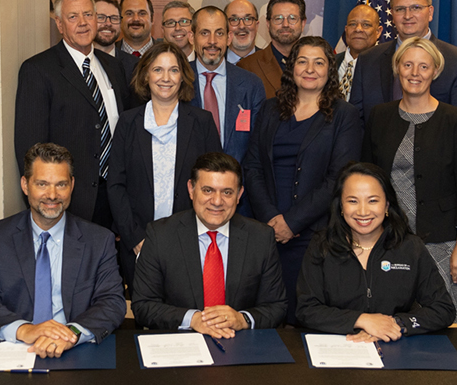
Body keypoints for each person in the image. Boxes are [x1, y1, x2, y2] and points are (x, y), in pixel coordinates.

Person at [244, 36, 362, 322]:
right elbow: (253, 166)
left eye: (318, 63)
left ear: (329, 69)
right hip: (266, 231)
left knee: (304, 317)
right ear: (291, 67)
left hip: (314, 234)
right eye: (302, 61)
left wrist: (292, 222)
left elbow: (338, 178)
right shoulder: (270, 109)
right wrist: (271, 219)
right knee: (265, 315)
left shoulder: (344, 115)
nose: (310, 69)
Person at [0, 143, 127, 357]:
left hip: (74, 349)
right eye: (42, 184)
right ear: (25, 185)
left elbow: (112, 303)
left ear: (72, 185)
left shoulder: (98, 240)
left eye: (61, 184)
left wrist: (70, 335)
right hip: (15, 350)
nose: (52, 195)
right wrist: (25, 330)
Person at [361, 37, 457, 324]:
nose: (415, 73)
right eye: (407, 65)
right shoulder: (379, 116)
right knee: (391, 321)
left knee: (451, 323)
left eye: (424, 66)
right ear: (396, 69)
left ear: (435, 71)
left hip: (442, 242)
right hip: (388, 239)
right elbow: (366, 180)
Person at [15, 0, 137, 227]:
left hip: (115, 198)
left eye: (88, 15)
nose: (83, 23)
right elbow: (31, 147)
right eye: (73, 17)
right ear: (59, 25)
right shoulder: (38, 70)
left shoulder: (114, 67)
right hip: (69, 201)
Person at [130, 152, 287, 333]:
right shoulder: (160, 235)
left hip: (239, 341)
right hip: (182, 342)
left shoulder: (261, 237)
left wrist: (242, 319)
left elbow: (276, 306)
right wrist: (193, 319)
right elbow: (143, 305)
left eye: (227, 192)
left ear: (239, 194)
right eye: (208, 190)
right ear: (191, 189)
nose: (217, 201)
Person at [295, 163, 455, 338]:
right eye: (353, 201)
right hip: (339, 346)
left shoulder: (410, 247)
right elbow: (306, 309)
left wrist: (395, 324)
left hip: (394, 343)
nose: (363, 211)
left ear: (387, 205)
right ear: (340, 205)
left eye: (373, 201)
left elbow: (443, 309)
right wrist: (361, 320)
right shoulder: (321, 245)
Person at [107, 41, 221, 280]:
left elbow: (215, 183)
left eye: (173, 70)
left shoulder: (202, 122)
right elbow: (116, 185)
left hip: (191, 242)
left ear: (183, 77)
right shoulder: (127, 123)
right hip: (138, 242)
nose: (165, 78)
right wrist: (134, 237)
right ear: (145, 75)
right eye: (158, 69)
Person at [351, 0, 457, 121]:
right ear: (391, 14)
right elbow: (356, 121)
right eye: (400, 9)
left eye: (416, 8)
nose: (407, 15)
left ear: (430, 12)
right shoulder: (368, 60)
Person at [189, 6, 266, 163]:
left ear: (229, 38)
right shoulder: (178, 81)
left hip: (238, 176)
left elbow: (258, 147)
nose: (212, 41)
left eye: (219, 33)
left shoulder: (251, 84)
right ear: (192, 37)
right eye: (204, 33)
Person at [239, 0, 307, 97]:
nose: (285, 24)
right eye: (278, 18)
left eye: (292, 18)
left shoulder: (317, 67)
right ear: (268, 24)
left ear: (303, 24)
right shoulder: (247, 67)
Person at [336, 3, 384, 100]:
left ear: (378, 32)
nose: (358, 29)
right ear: (346, 30)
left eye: (366, 25)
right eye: (353, 24)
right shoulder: (330, 63)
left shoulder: (386, 67)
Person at [116, 0, 157, 78]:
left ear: (152, 19)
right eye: (129, 14)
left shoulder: (167, 54)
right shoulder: (109, 55)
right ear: (120, 19)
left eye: (142, 13)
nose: (136, 19)